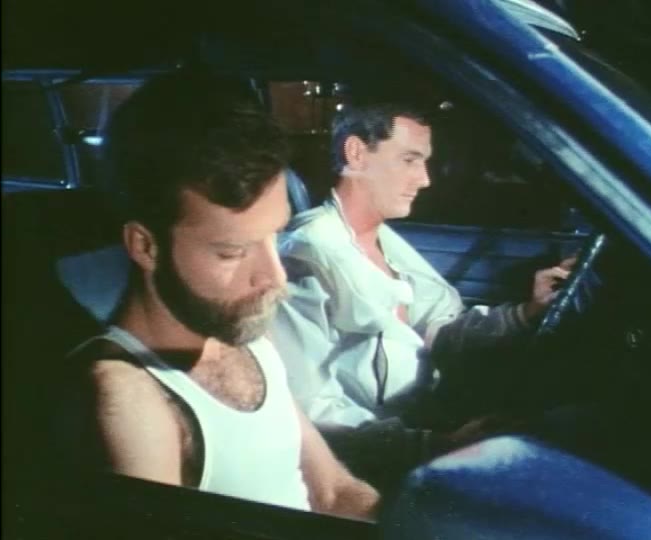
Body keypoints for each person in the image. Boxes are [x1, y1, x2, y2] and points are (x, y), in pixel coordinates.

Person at [56, 70, 379, 520]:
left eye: (274, 236)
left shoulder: (241, 333)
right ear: (145, 246)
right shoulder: (127, 396)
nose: (274, 277)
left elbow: (333, 492)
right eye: (232, 252)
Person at [269, 103, 575, 487]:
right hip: (377, 462)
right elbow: (312, 411)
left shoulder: (384, 241)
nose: (425, 179)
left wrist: (526, 312)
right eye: (409, 160)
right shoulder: (307, 255)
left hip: (431, 419)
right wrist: (435, 445)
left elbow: (437, 331)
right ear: (356, 154)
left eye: (424, 162)